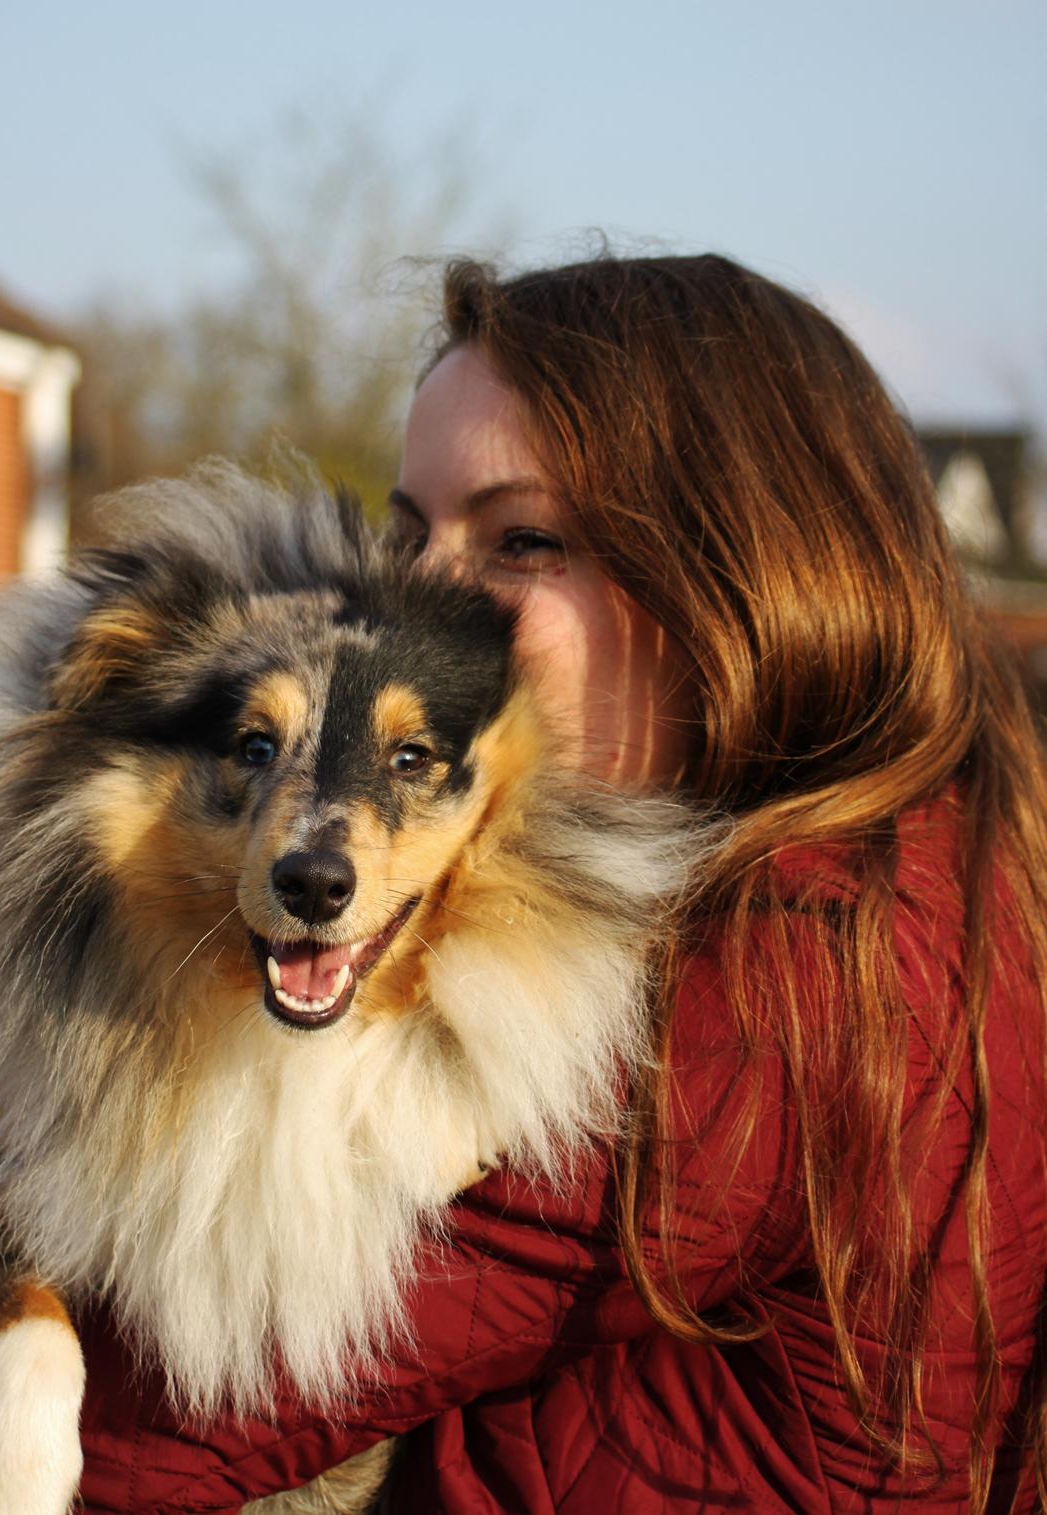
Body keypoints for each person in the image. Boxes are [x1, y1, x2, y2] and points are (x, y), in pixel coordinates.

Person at [77, 253, 1047, 1512]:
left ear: (743, 575)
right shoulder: (936, 855)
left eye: (522, 540)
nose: (418, 605)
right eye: (410, 535)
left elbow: (151, 1432)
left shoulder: (787, 974)